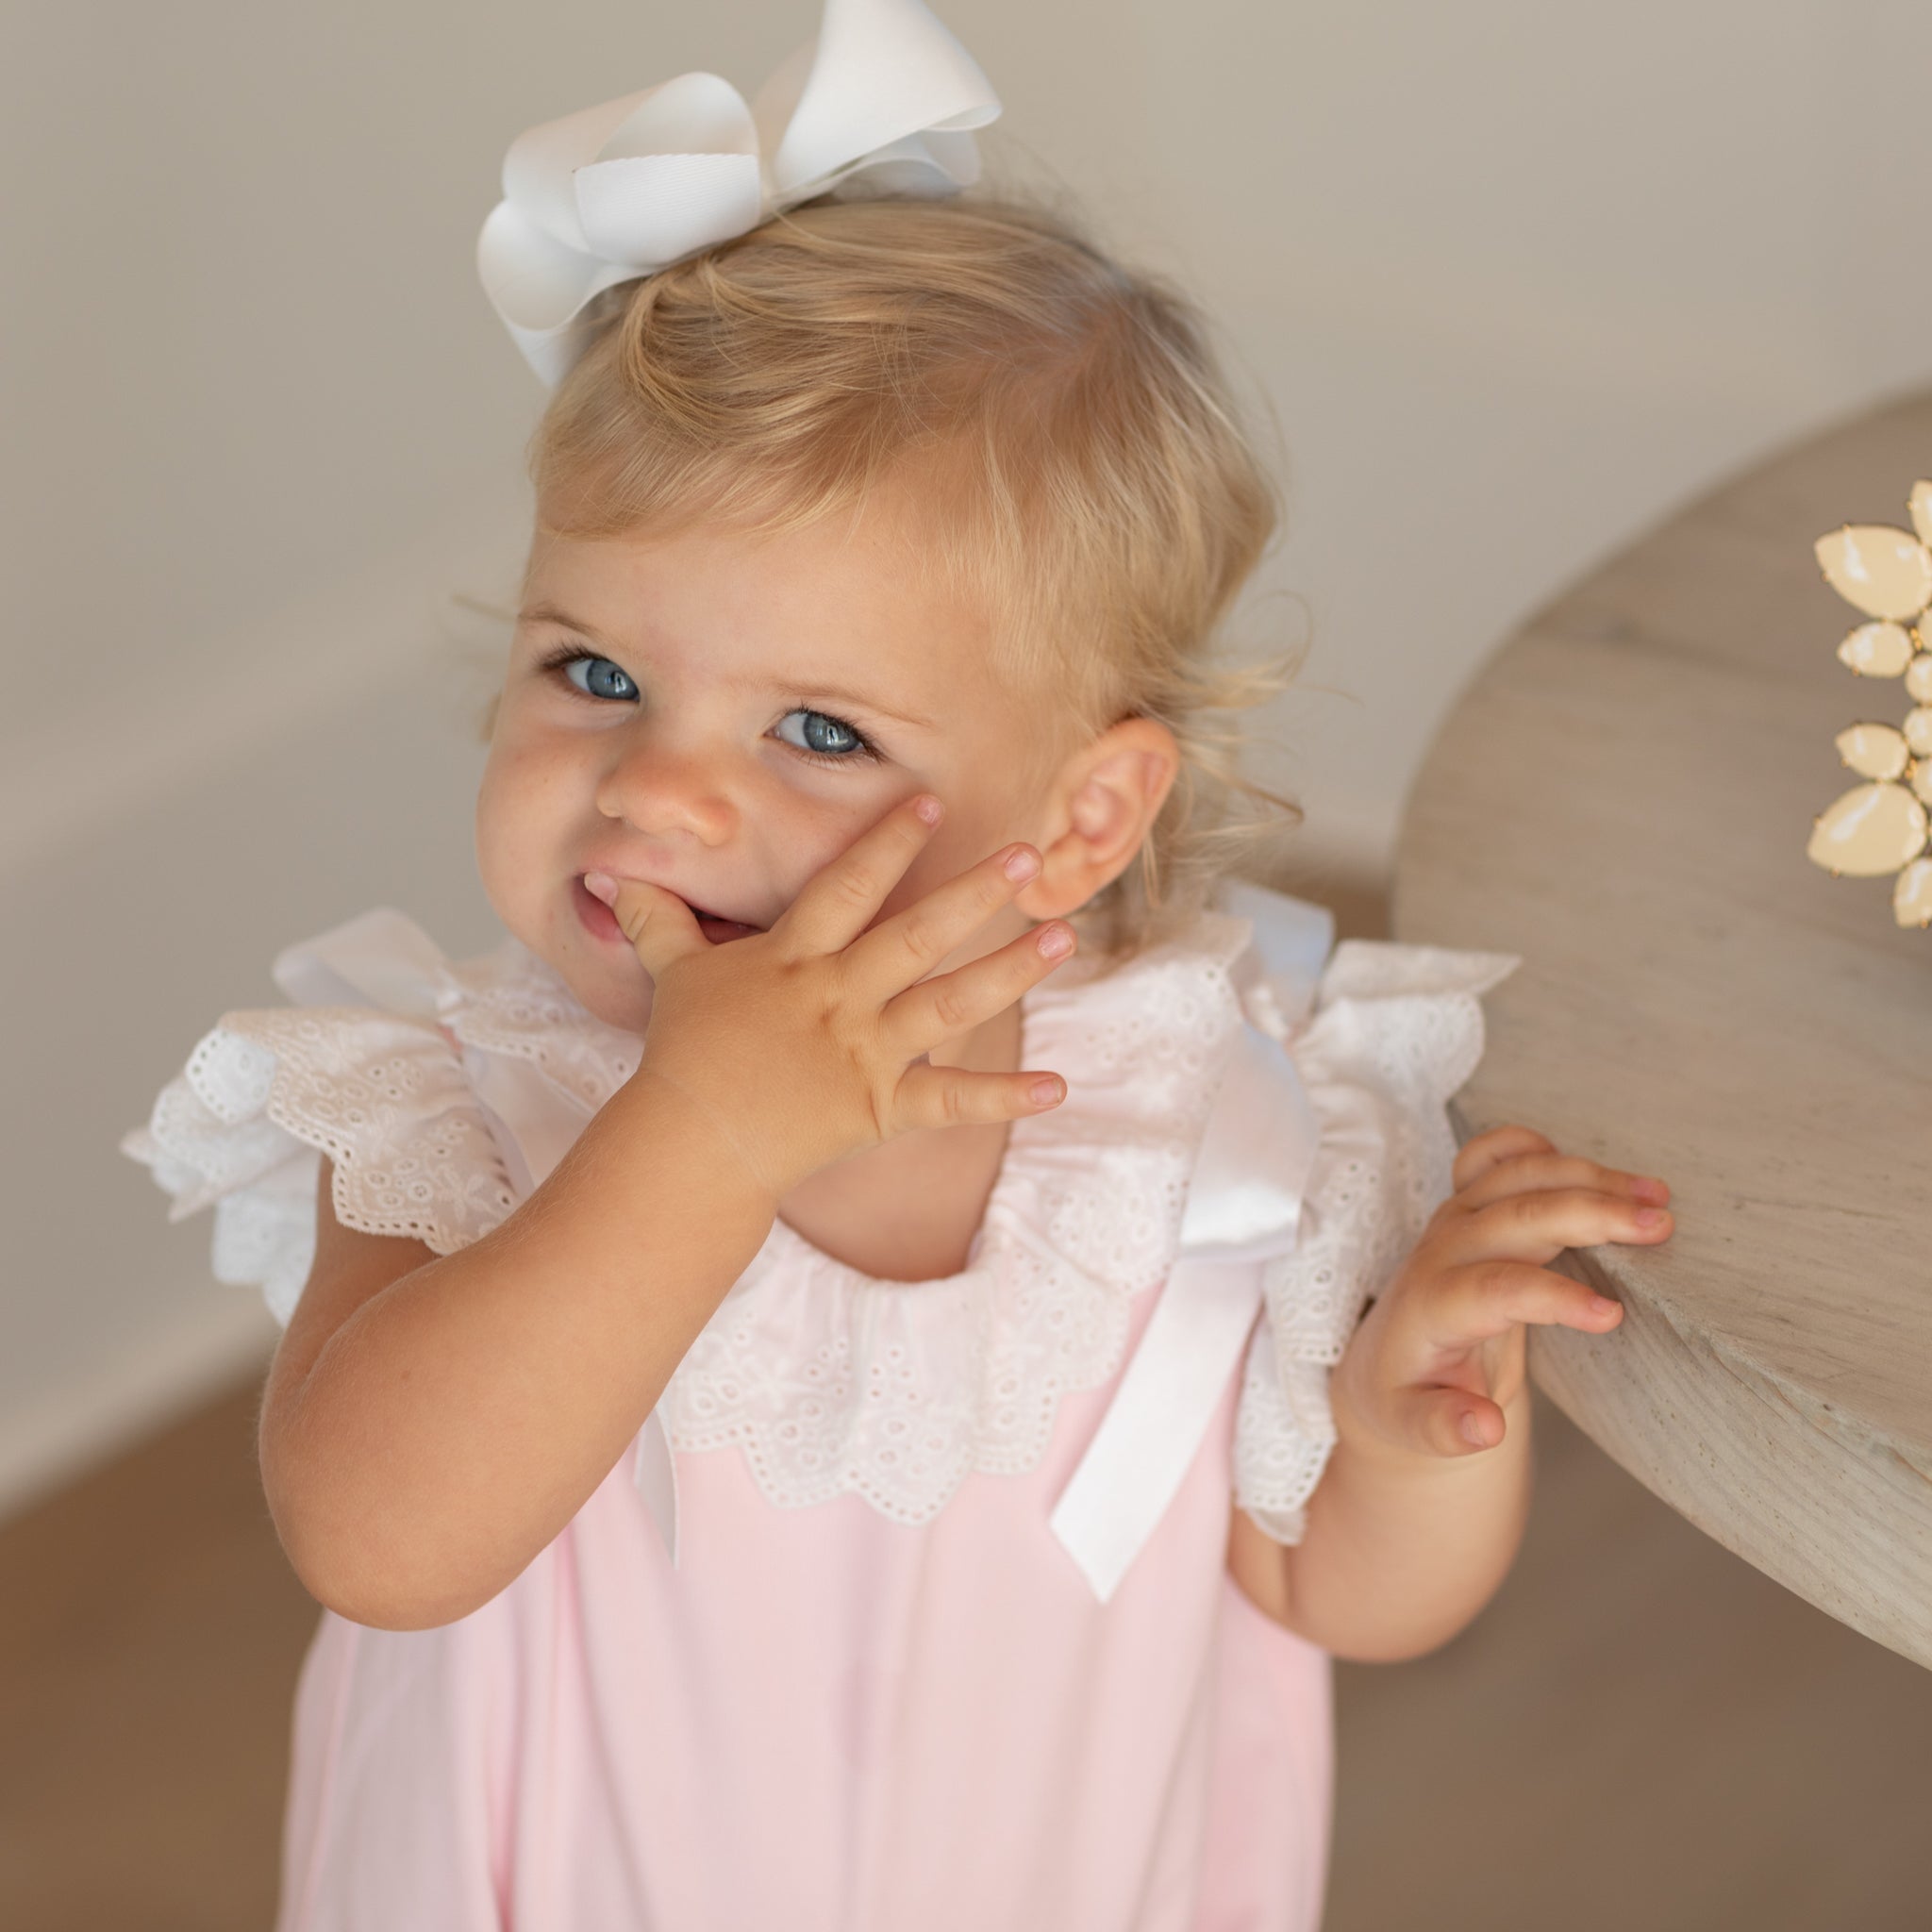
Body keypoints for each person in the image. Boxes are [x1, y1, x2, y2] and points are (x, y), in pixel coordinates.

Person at [122, 2, 1674, 1924]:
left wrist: (1403, 1439)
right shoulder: (452, 1104)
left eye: (819, 731)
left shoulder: (1230, 1119)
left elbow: (1328, 1590)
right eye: (593, 672)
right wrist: (693, 1134)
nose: (657, 793)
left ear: (1087, 817)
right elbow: (382, 1537)